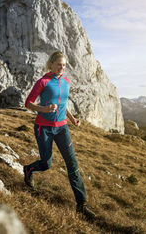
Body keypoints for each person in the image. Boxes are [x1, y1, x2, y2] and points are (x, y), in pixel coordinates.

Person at [23, 51, 96, 220]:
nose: (62, 68)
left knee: (72, 163)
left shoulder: (66, 82)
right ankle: (29, 169)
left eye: (64, 65)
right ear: (51, 64)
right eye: (59, 65)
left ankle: (82, 205)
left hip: (62, 128)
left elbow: (64, 103)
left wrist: (72, 120)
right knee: (46, 163)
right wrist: (44, 109)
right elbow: (28, 103)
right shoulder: (43, 81)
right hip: (44, 127)